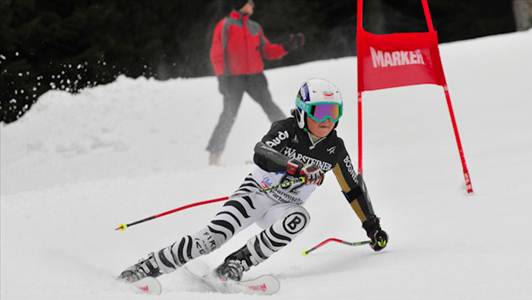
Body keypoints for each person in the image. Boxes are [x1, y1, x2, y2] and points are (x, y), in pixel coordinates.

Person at [119, 78, 388, 284]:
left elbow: (353, 188)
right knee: (213, 237)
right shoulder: (287, 129)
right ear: (304, 111)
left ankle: (236, 264)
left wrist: (372, 228)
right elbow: (262, 152)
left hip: (285, 206)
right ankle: (147, 266)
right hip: (255, 193)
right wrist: (294, 167)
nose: (328, 120)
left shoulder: (335, 149)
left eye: (334, 112)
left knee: (299, 219)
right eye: (320, 112)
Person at [207, 0, 305, 165]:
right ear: (241, 4)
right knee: (228, 114)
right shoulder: (225, 25)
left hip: (255, 77)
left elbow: (267, 51)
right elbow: (217, 53)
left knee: (271, 108)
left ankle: (293, 144)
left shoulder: (255, 27)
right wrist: (221, 77)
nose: (253, 6)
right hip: (233, 79)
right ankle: (214, 155)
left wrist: (286, 46)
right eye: (250, 3)